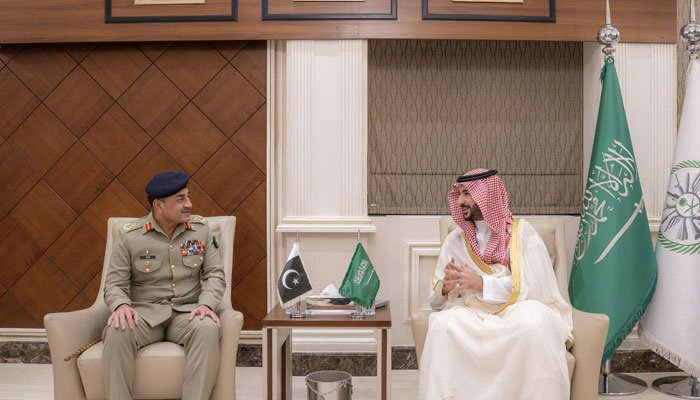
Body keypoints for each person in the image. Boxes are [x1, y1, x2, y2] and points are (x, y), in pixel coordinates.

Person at [419, 168, 573, 400]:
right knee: (442, 325)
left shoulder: (522, 233)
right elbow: (435, 300)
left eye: (467, 193)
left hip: (516, 308)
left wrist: (482, 283)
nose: (460, 201)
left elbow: (535, 285)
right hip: (472, 311)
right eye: (459, 194)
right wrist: (445, 288)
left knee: (534, 323)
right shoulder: (455, 240)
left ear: (486, 196)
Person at [102, 171, 226, 400]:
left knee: (207, 328)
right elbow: (114, 283)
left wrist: (206, 305)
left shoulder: (201, 230)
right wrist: (120, 306)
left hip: (187, 314)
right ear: (159, 205)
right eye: (180, 199)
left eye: (188, 196)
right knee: (116, 330)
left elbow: (215, 275)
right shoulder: (129, 236)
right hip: (144, 316)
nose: (189, 204)